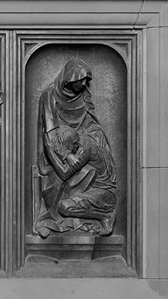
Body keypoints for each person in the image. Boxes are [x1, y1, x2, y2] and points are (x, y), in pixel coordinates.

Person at [34, 58, 115, 236]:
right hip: (59, 142)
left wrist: (93, 138)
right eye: (81, 79)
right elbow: (50, 134)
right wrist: (65, 154)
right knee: (53, 172)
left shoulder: (83, 94)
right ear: (70, 78)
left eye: (87, 80)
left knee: (82, 168)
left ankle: (80, 213)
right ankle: (52, 216)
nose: (85, 84)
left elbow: (91, 121)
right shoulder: (50, 94)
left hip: (80, 144)